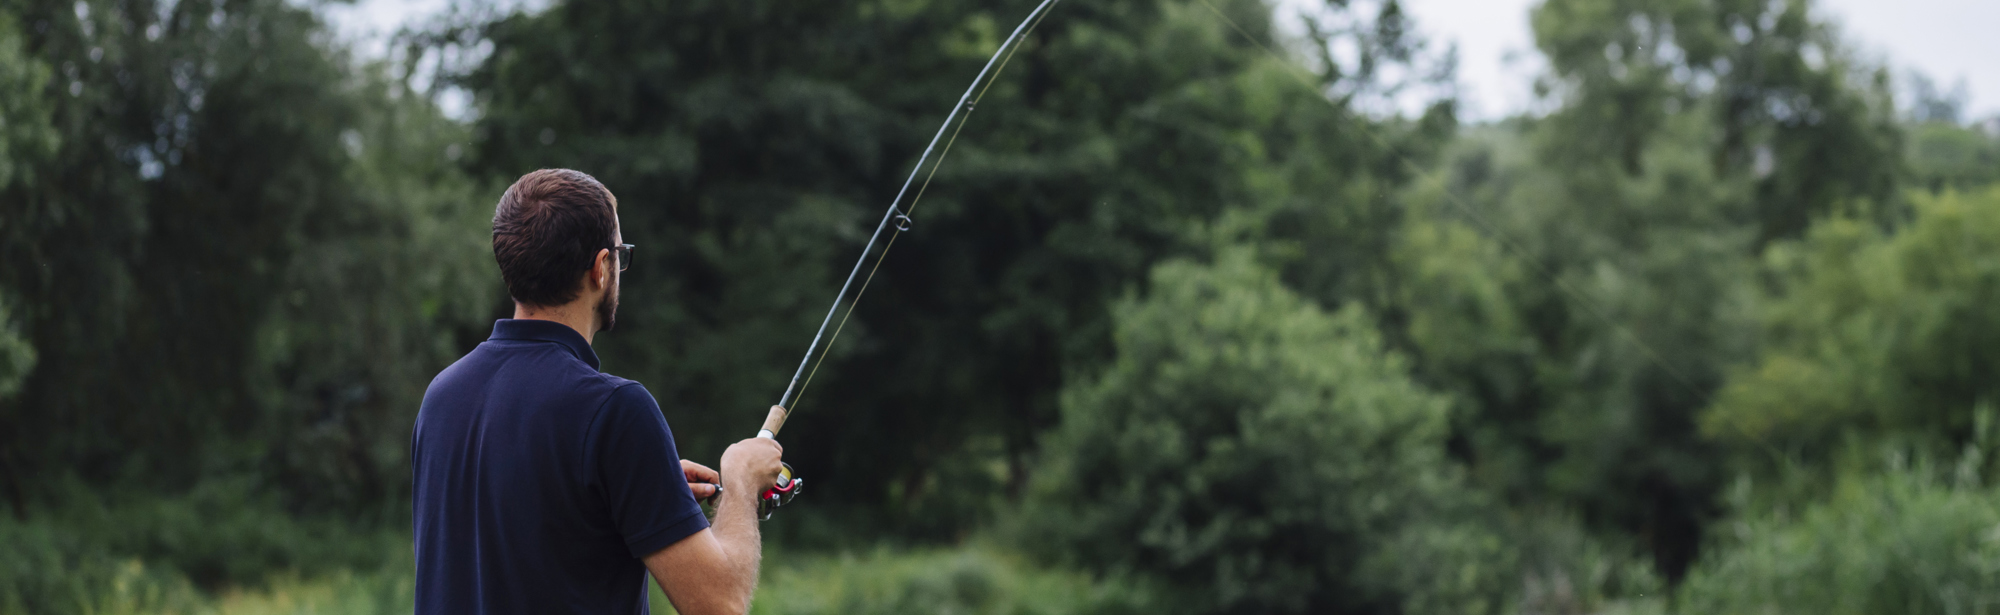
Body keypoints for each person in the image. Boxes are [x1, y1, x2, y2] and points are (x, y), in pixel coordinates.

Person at [412, 168, 785, 614]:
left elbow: (521, 537)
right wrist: (741, 481)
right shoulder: (615, 410)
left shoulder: (442, 396)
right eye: (621, 255)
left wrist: (638, 491)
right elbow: (720, 605)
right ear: (602, 267)